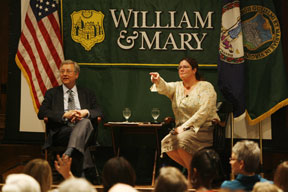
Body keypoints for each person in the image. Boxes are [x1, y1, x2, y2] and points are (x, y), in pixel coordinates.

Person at [149, 57, 219, 180]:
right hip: (183, 130)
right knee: (166, 142)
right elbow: (165, 87)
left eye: (185, 67)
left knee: (180, 141)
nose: (181, 69)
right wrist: (158, 80)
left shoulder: (205, 86)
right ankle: (195, 171)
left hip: (203, 128)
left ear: (194, 70)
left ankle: (191, 177)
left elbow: (204, 111)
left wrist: (185, 126)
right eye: (179, 67)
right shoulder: (177, 87)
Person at [38, 60, 103, 177]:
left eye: (68, 71)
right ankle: (86, 173)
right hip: (62, 132)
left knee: (85, 122)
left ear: (76, 75)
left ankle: (69, 152)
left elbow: (99, 111)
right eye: (62, 71)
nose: (64, 74)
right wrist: (64, 115)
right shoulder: (52, 93)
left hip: (84, 131)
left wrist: (85, 112)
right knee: (84, 127)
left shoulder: (87, 93)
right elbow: (42, 112)